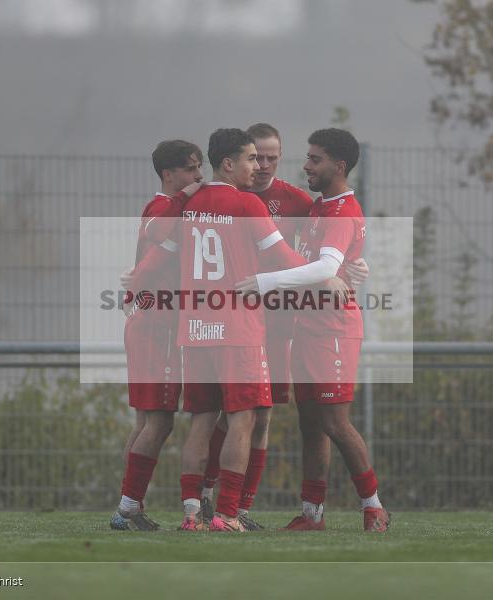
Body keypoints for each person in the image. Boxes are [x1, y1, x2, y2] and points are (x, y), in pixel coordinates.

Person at [124, 128, 307, 532]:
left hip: (195, 330)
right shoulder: (247, 204)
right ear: (228, 163)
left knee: (202, 421)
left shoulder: (188, 205)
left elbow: (157, 245)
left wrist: (135, 282)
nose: (257, 167)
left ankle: (191, 514)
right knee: (244, 419)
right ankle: (226, 514)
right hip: (238, 329)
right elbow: (282, 256)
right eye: (250, 159)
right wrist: (325, 274)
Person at [199, 123, 369, 530]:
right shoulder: (217, 197)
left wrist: (351, 268)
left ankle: (236, 507)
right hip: (228, 316)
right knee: (216, 413)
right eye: (256, 156)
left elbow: (321, 251)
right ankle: (202, 500)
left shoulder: (298, 202)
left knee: (260, 415)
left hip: (279, 324)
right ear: (240, 158)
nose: (263, 165)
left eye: (273, 158)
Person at [237, 128, 390, 532]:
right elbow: (330, 263)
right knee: (310, 422)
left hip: (333, 329)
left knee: (335, 422)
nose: (306, 165)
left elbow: (324, 268)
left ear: (338, 166)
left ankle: (374, 507)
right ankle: (312, 515)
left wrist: (263, 282)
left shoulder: (341, 211)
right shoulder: (320, 207)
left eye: (315, 159)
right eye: (307, 157)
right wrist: (355, 266)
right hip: (307, 325)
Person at [109, 140, 203, 531]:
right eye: (191, 168)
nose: (199, 176)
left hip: (145, 321)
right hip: (160, 325)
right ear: (169, 174)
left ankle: (131, 506)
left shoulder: (153, 208)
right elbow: (157, 253)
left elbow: (141, 260)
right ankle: (127, 510)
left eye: (200, 167)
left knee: (145, 421)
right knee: (160, 423)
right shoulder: (167, 208)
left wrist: (132, 290)